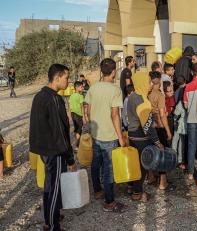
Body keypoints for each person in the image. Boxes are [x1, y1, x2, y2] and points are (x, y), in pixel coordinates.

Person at [29, 64, 77, 231]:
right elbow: (60, 132)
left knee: (49, 183)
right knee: (54, 187)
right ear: (57, 78)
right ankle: (52, 225)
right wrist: (69, 157)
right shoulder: (54, 99)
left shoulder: (39, 95)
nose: (68, 81)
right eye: (66, 78)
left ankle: (51, 215)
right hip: (54, 151)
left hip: (44, 150)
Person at [84, 58, 126, 213]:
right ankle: (109, 201)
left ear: (102, 71)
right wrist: (121, 137)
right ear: (114, 71)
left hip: (96, 134)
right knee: (108, 169)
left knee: (95, 164)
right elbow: (115, 116)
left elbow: (87, 109)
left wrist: (89, 124)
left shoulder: (93, 88)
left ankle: (97, 191)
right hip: (109, 136)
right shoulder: (115, 90)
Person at [127, 72, 165, 201]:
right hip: (141, 138)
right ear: (142, 83)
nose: (151, 84)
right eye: (149, 81)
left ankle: (131, 187)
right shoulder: (142, 100)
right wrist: (157, 141)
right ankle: (137, 193)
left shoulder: (132, 96)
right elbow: (147, 126)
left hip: (132, 135)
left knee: (134, 163)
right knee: (142, 166)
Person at [147, 71, 172, 190]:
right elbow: (162, 114)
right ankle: (162, 182)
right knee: (162, 153)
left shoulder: (147, 94)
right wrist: (167, 130)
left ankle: (150, 176)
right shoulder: (160, 95)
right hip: (158, 127)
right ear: (160, 81)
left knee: (150, 152)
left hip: (148, 127)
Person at [172, 76, 187, 169]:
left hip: (177, 122)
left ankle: (174, 158)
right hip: (184, 123)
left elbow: (175, 112)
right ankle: (180, 159)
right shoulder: (187, 89)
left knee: (175, 139)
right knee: (181, 141)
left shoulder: (176, 92)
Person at [68, 81, 85, 149]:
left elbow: (69, 106)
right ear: (77, 88)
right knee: (79, 129)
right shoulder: (80, 96)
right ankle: (77, 145)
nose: (83, 88)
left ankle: (76, 143)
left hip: (73, 114)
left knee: (76, 129)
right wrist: (83, 117)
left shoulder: (71, 95)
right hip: (78, 115)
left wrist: (69, 116)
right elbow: (82, 107)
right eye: (81, 87)